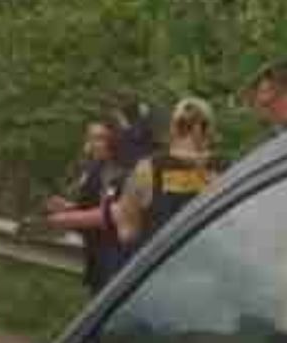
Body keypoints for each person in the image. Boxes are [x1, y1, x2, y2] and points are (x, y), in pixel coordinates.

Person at [115, 97, 226, 248]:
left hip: (163, 264)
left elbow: (127, 231)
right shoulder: (224, 171)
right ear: (207, 130)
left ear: (173, 128)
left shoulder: (147, 169)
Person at [40, 120, 131, 294]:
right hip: (94, 252)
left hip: (116, 254)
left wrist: (65, 219)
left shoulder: (126, 171)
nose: (92, 145)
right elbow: (92, 205)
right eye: (90, 138)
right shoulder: (94, 168)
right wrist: (66, 207)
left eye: (100, 139)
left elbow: (109, 214)